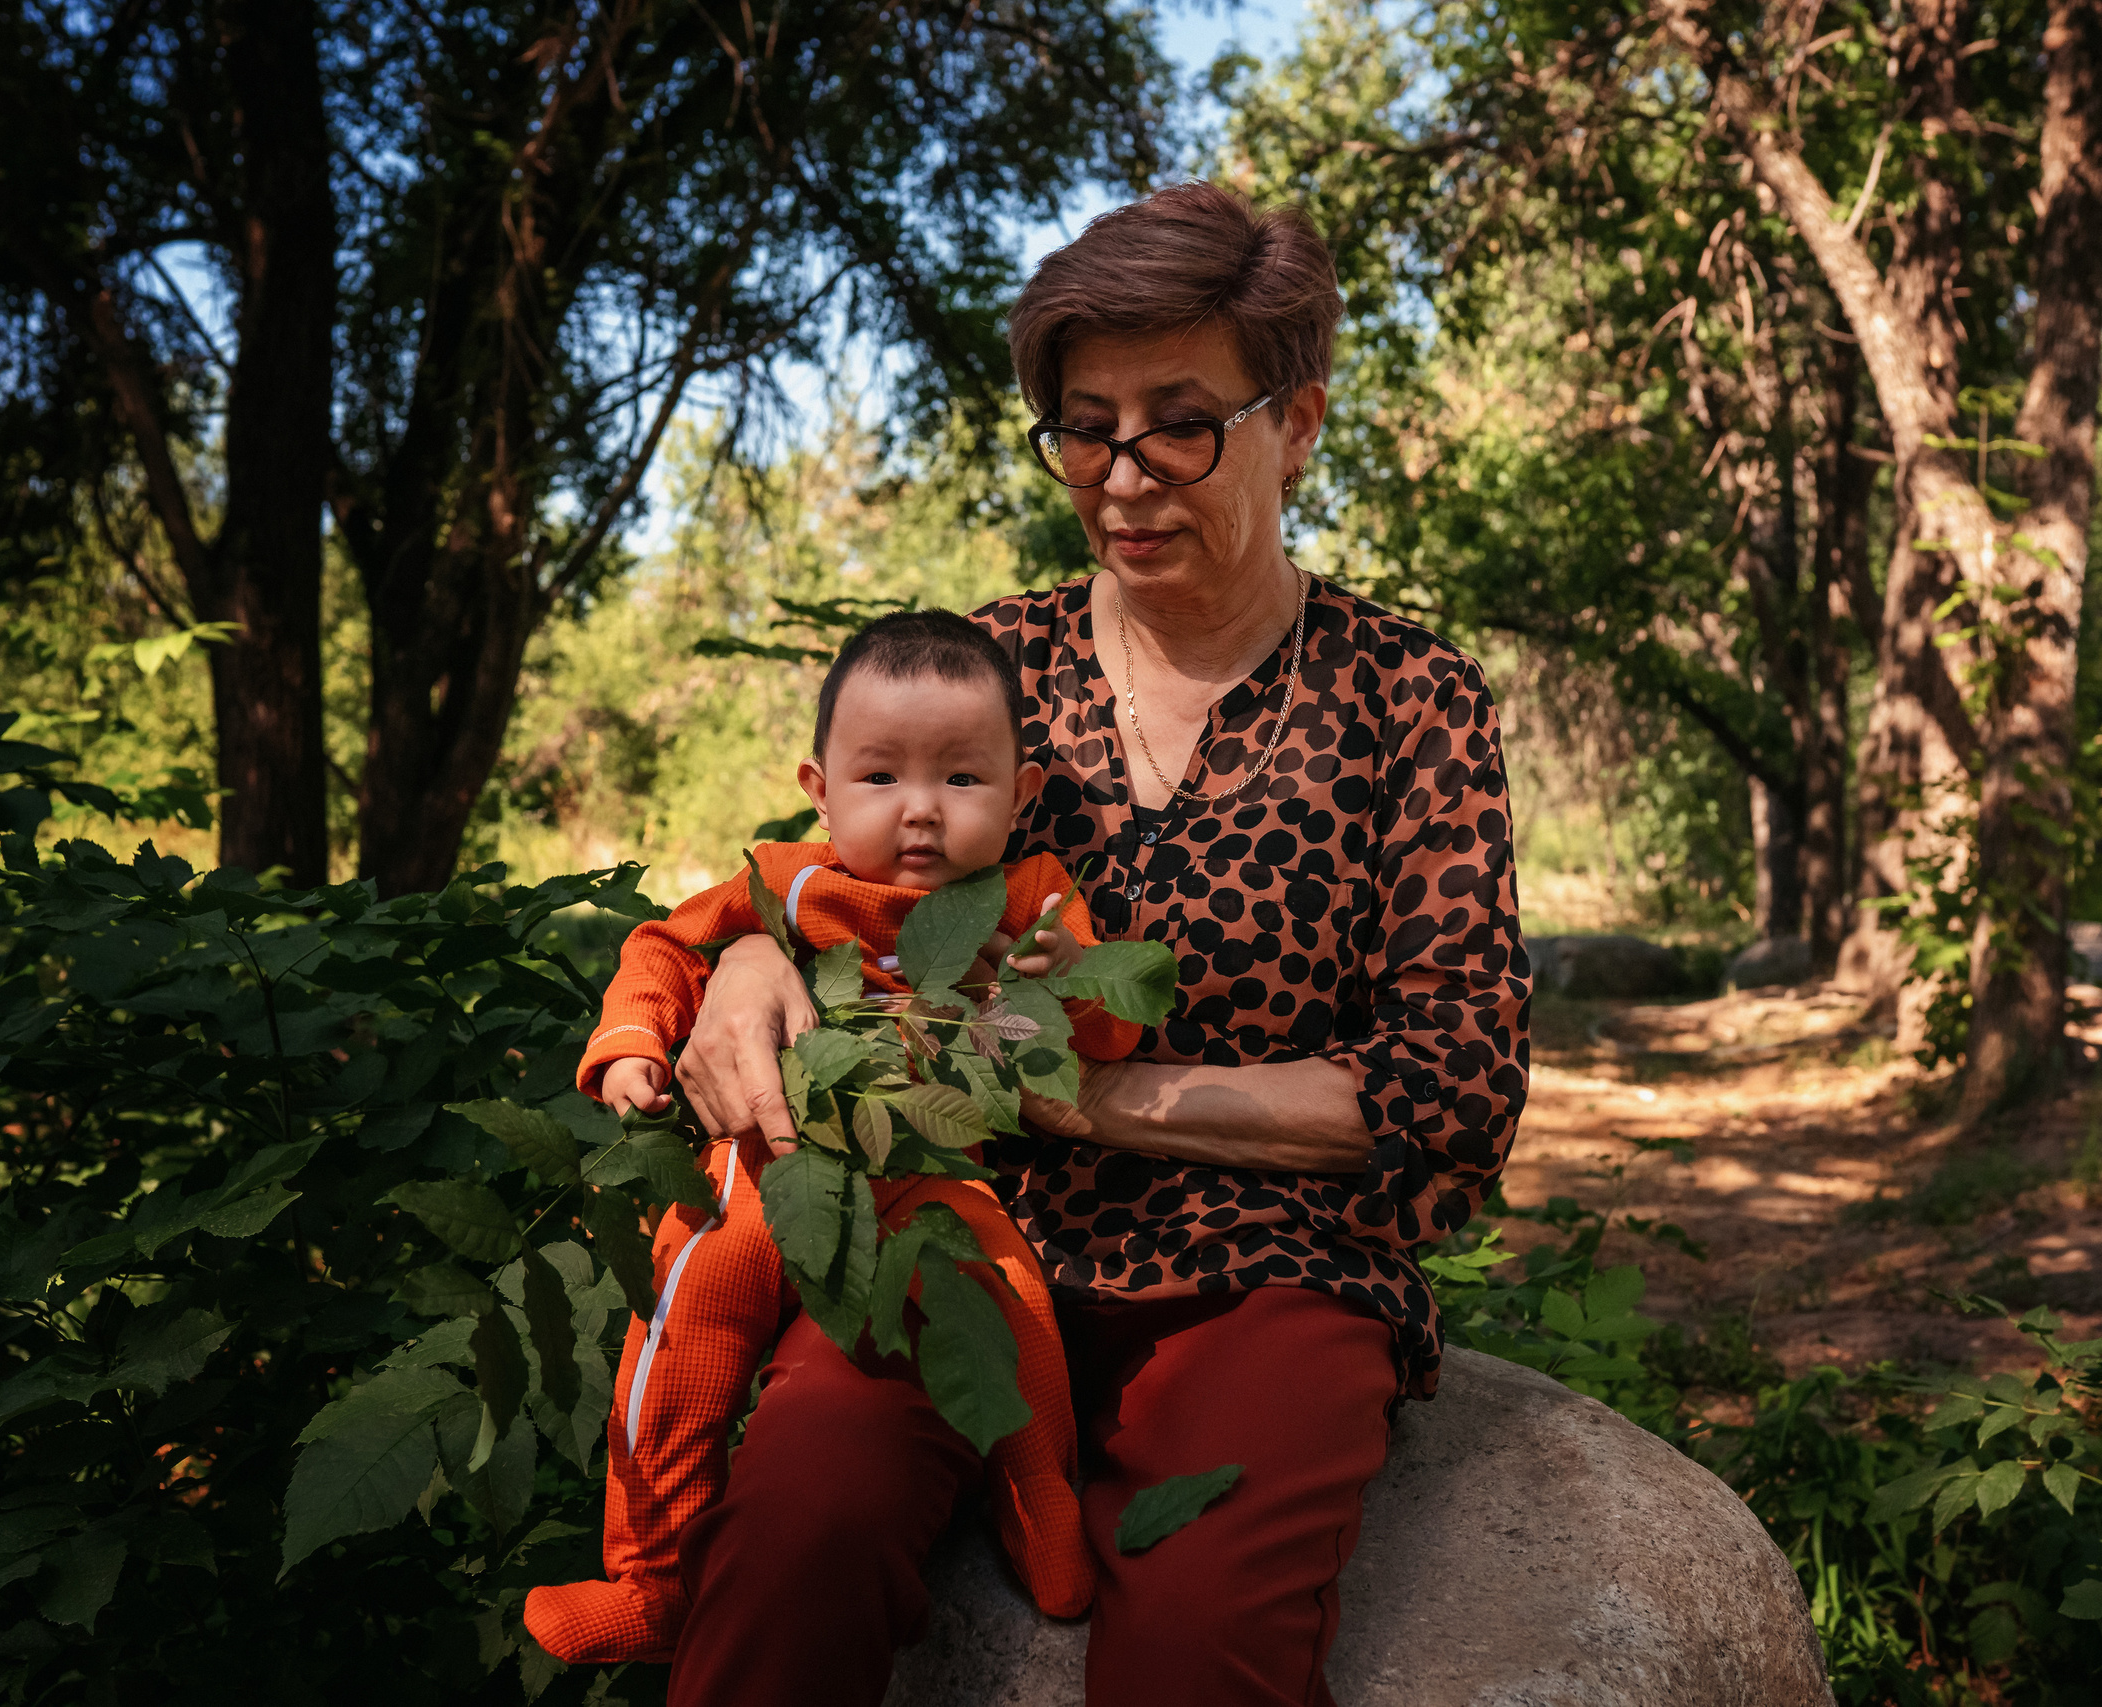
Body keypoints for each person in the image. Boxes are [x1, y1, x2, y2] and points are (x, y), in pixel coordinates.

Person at [665, 182, 1529, 1706]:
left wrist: (1106, 1099)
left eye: (1179, 422)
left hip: (1272, 1273)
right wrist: (747, 961)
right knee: (797, 1514)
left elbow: (1455, 1083)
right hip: (966, 1237)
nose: (1122, 476)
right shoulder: (995, 661)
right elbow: (822, 874)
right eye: (1087, 424)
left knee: (1200, 1640)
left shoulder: (1410, 695)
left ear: (1300, 420)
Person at [521, 611, 1142, 1666]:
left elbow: (1110, 1023)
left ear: (1021, 793)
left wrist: (1058, 986)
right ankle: (655, 1580)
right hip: (766, 1165)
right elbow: (662, 950)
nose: (918, 813)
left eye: (960, 780)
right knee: (681, 1332)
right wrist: (630, 1049)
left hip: (923, 1167)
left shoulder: (1033, 897)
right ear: (818, 789)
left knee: (1008, 1301)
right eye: (878, 777)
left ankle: (1040, 1511)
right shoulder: (787, 883)